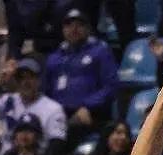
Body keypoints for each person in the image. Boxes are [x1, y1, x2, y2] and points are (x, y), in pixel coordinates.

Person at [45, 9, 117, 140]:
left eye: (79, 24)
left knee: (68, 132)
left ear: (88, 28)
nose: (74, 28)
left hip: (91, 113)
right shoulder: (54, 58)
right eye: (69, 24)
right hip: (58, 112)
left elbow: (111, 87)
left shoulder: (100, 52)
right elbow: (46, 90)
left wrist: (87, 106)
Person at [0, 57, 68, 155]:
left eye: (30, 77)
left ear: (39, 80)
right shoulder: (8, 100)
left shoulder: (53, 108)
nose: (25, 82)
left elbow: (57, 142)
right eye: (21, 78)